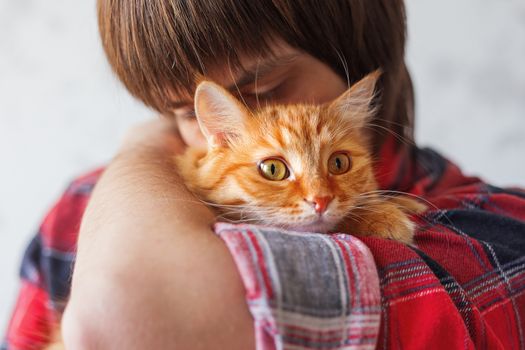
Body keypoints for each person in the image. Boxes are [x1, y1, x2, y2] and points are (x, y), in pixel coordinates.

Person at [3, 0, 525, 349]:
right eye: (188, 111)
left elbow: (126, 313)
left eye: (266, 89)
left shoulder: (499, 233)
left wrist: (141, 149)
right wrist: (144, 152)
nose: (319, 196)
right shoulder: (80, 204)